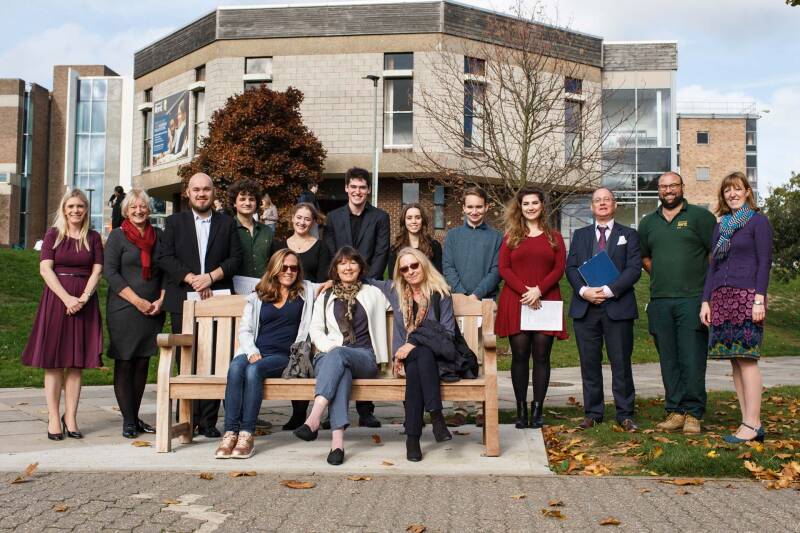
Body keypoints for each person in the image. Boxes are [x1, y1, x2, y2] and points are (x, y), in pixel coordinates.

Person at [156, 172, 242, 438]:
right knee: (188, 359)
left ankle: (208, 421)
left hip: (217, 297)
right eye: (196, 190)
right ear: (188, 193)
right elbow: (164, 257)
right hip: (183, 298)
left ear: (213, 192)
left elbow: (236, 258)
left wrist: (210, 277)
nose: (201, 194)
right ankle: (186, 419)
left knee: (215, 359)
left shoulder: (227, 224)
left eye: (206, 189)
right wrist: (192, 278)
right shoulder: (174, 223)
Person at [215, 249, 320, 459]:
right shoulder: (258, 296)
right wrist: (252, 351)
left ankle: (246, 433)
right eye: (284, 267)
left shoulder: (305, 291)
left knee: (254, 371)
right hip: (254, 351)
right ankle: (230, 433)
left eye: (294, 268)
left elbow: (333, 282)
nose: (289, 271)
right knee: (236, 367)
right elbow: (245, 330)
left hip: (285, 356)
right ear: (275, 268)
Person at [293, 247, 390, 465]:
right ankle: (337, 444)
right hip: (328, 357)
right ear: (336, 268)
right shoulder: (326, 295)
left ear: (360, 267)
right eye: (342, 263)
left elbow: (398, 291)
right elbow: (315, 329)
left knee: (340, 358)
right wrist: (331, 348)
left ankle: (314, 417)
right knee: (341, 369)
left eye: (353, 262)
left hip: (364, 357)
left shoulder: (373, 292)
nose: (348, 267)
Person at [638, 171, 716, 435]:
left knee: (692, 357)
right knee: (668, 358)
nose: (668, 190)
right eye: (663, 186)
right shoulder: (648, 222)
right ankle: (675, 411)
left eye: (673, 185)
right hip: (660, 300)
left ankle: (694, 413)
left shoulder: (700, 217)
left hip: (692, 299)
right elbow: (645, 258)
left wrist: (698, 281)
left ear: (682, 187)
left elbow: (713, 255)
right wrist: (663, 274)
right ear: (658, 191)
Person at [22, 189, 104, 440]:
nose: (75, 210)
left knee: (77, 364)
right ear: (64, 209)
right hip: (57, 301)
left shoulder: (93, 236)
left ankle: (71, 416)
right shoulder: (53, 235)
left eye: (80, 206)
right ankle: (54, 417)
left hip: (84, 302)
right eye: (71, 206)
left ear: (86, 209)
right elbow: (45, 269)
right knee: (54, 362)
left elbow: (97, 270)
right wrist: (67, 298)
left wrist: (83, 298)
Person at [363, 248, 457, 461]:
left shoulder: (440, 294)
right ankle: (436, 417)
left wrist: (413, 342)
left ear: (423, 264)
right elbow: (363, 278)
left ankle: (412, 439)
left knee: (421, 357)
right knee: (418, 358)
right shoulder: (394, 289)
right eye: (404, 268)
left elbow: (448, 334)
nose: (410, 271)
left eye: (414, 265)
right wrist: (328, 283)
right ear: (400, 272)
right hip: (403, 360)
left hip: (434, 361)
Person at [699, 172, 773, 443]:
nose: (732, 194)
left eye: (737, 189)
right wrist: (706, 301)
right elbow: (713, 266)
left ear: (747, 192)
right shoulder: (721, 226)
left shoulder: (758, 222)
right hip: (722, 298)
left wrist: (759, 299)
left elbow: (764, 263)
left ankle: (753, 424)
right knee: (735, 360)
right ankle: (748, 422)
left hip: (746, 296)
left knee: (748, 358)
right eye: (728, 190)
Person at [565, 188, 642, 431]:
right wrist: (583, 292)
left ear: (614, 205)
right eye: (597, 200)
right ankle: (593, 413)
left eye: (606, 200)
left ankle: (625, 414)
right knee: (589, 363)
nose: (602, 203)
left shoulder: (629, 234)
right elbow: (572, 268)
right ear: (591, 207)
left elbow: (634, 269)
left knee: (621, 362)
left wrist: (608, 290)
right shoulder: (579, 235)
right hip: (586, 308)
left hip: (617, 307)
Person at [323, 167, 390, 427]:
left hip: (367, 285)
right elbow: (331, 249)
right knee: (340, 340)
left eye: (363, 187)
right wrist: (343, 276)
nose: (358, 191)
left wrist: (362, 278)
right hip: (339, 284)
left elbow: (382, 251)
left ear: (368, 190)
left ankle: (365, 410)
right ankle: (333, 412)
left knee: (364, 340)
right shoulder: (333, 217)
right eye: (353, 187)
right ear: (346, 189)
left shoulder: (380, 217)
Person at [496, 187, 567, 429]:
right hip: (517, 300)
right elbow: (504, 268)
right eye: (526, 203)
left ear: (542, 206)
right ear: (520, 207)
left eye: (534, 203)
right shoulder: (511, 236)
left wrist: (539, 289)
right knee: (519, 356)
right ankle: (520, 411)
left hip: (545, 300)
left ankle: (538, 410)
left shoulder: (554, 237)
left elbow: (559, 268)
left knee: (542, 357)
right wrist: (526, 291)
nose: (530, 207)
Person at [104, 189, 166, 438]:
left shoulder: (159, 236)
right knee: (125, 362)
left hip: (153, 311)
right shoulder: (118, 237)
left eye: (143, 206)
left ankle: (135, 416)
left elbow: (166, 269)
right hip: (124, 308)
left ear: (149, 209)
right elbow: (111, 273)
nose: (139, 211)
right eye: (133, 207)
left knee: (142, 363)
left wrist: (161, 299)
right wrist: (137, 300)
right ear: (126, 211)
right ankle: (128, 420)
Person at [442, 186, 502, 427]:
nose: (474, 211)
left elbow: (497, 270)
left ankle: (481, 408)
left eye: (479, 206)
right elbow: (448, 267)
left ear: (486, 207)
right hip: (458, 302)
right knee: (458, 352)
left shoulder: (496, 237)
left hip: (485, 303)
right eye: (470, 207)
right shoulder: (453, 236)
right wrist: (462, 295)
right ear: (463, 208)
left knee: (480, 352)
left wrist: (476, 294)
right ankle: (459, 408)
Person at [271, 202, 331, 430]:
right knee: (294, 355)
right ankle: (297, 414)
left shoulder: (321, 247)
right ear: (292, 218)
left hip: (313, 307)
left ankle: (315, 411)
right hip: (287, 308)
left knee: (311, 357)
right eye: (299, 217)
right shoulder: (280, 246)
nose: (302, 222)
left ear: (313, 222)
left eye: (307, 219)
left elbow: (325, 278)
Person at [229, 179, 274, 279]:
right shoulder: (226, 229)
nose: (247, 203)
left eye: (251, 199)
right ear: (234, 203)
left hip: (264, 288)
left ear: (257, 203)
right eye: (242, 199)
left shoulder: (267, 231)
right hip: (235, 290)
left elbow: (273, 262)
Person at [387, 203, 442, 274]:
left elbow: (438, 275)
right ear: (404, 221)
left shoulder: (434, 246)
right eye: (409, 218)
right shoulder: (395, 249)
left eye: (418, 217)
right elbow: (393, 278)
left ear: (423, 220)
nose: (414, 221)